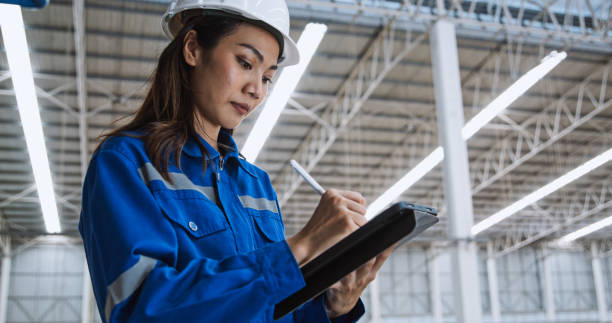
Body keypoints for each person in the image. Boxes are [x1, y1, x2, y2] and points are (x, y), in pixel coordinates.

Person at [79, 0, 393, 321]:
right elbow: (140, 308)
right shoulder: (126, 163)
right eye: (245, 63)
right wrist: (302, 245)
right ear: (192, 48)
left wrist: (332, 306)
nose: (256, 89)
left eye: (268, 77)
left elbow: (274, 310)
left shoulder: (256, 183)